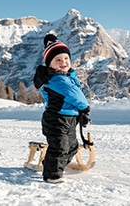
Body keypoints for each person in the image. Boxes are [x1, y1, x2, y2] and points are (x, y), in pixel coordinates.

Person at [33, 33, 90, 183]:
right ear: (49, 64)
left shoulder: (67, 76)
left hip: (68, 118)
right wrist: (85, 108)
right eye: (58, 60)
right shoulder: (57, 80)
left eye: (66, 59)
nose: (63, 62)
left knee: (72, 146)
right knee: (60, 146)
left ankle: (51, 164)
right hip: (56, 119)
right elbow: (77, 96)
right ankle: (52, 174)